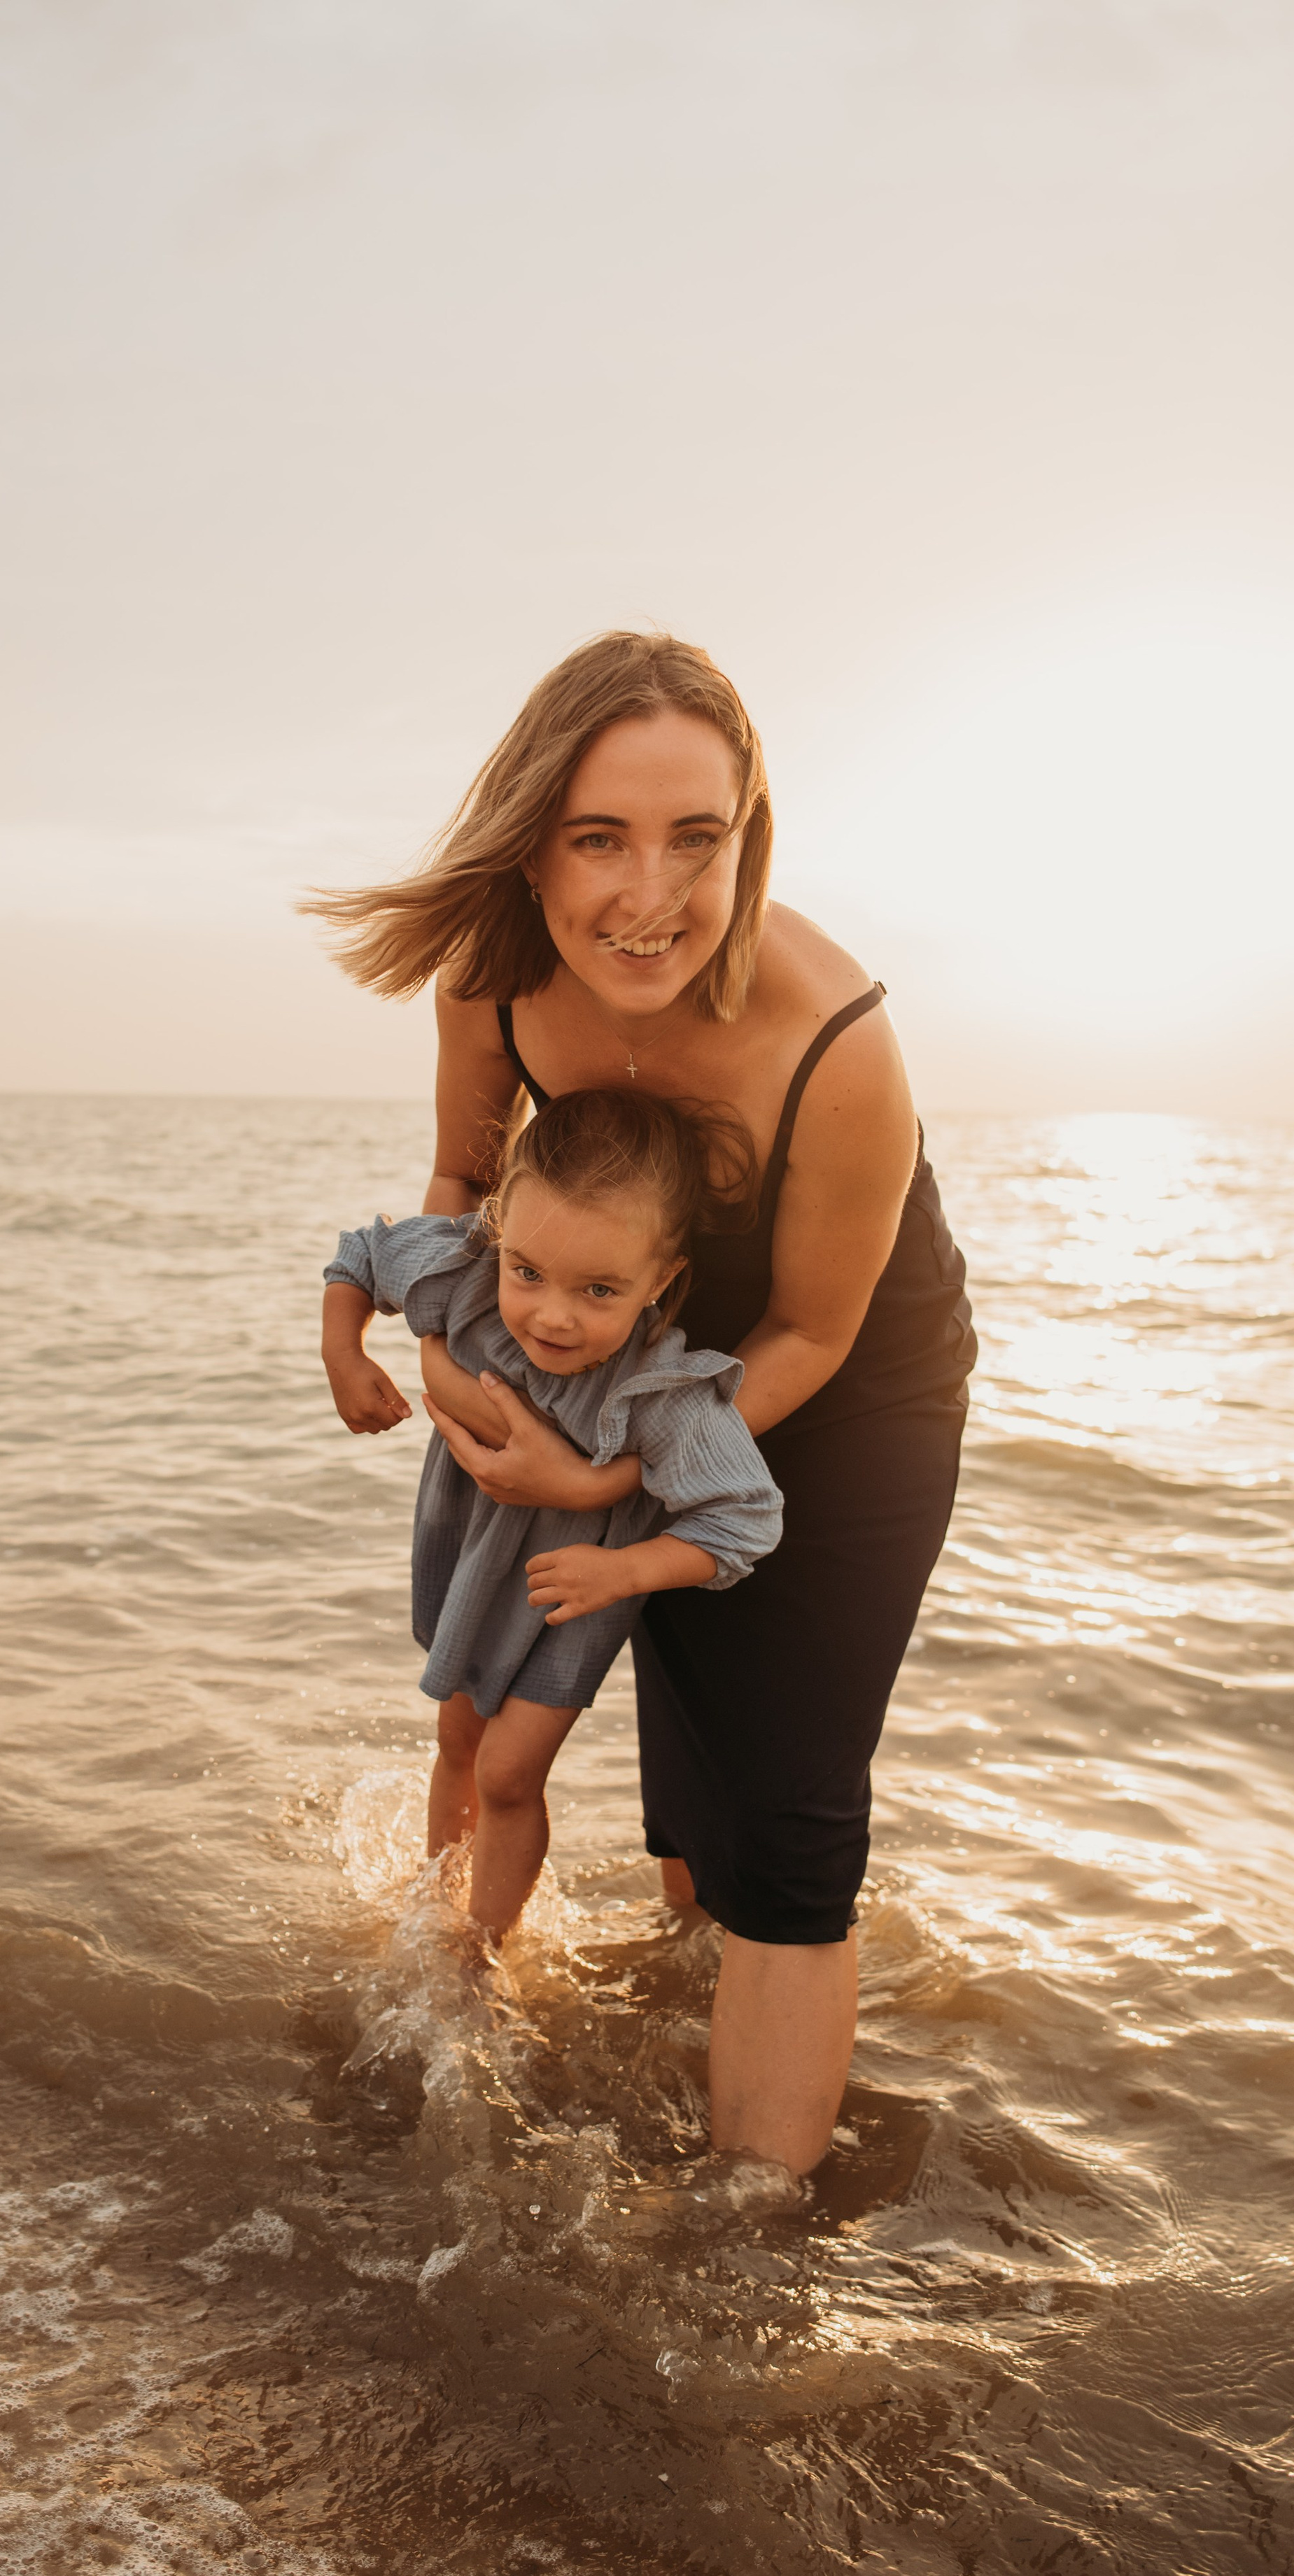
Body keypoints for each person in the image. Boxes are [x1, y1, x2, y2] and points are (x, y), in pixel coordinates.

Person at [304, 631, 976, 2174]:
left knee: (788, 1807)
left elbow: (810, 1326)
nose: (648, 894)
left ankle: (746, 2256)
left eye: (698, 839)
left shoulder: (834, 1043)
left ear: (751, 836)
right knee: (683, 1765)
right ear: (532, 838)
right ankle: (619, 2006)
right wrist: (450, 1363)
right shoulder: (492, 974)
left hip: (846, 1383)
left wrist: (611, 1480)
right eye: (598, 837)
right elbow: (463, 1189)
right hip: (618, 1339)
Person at [321, 1086, 782, 1938]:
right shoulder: (462, 1274)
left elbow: (743, 1519)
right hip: (469, 1553)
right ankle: (436, 1912)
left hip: (568, 1593)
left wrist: (625, 1571)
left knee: (505, 1774)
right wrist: (342, 1352)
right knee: (458, 1739)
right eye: (526, 1271)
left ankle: (482, 1956)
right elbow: (361, 1256)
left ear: (663, 1277)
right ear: (498, 1234)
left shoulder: (662, 1392)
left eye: (600, 1289)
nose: (552, 1314)